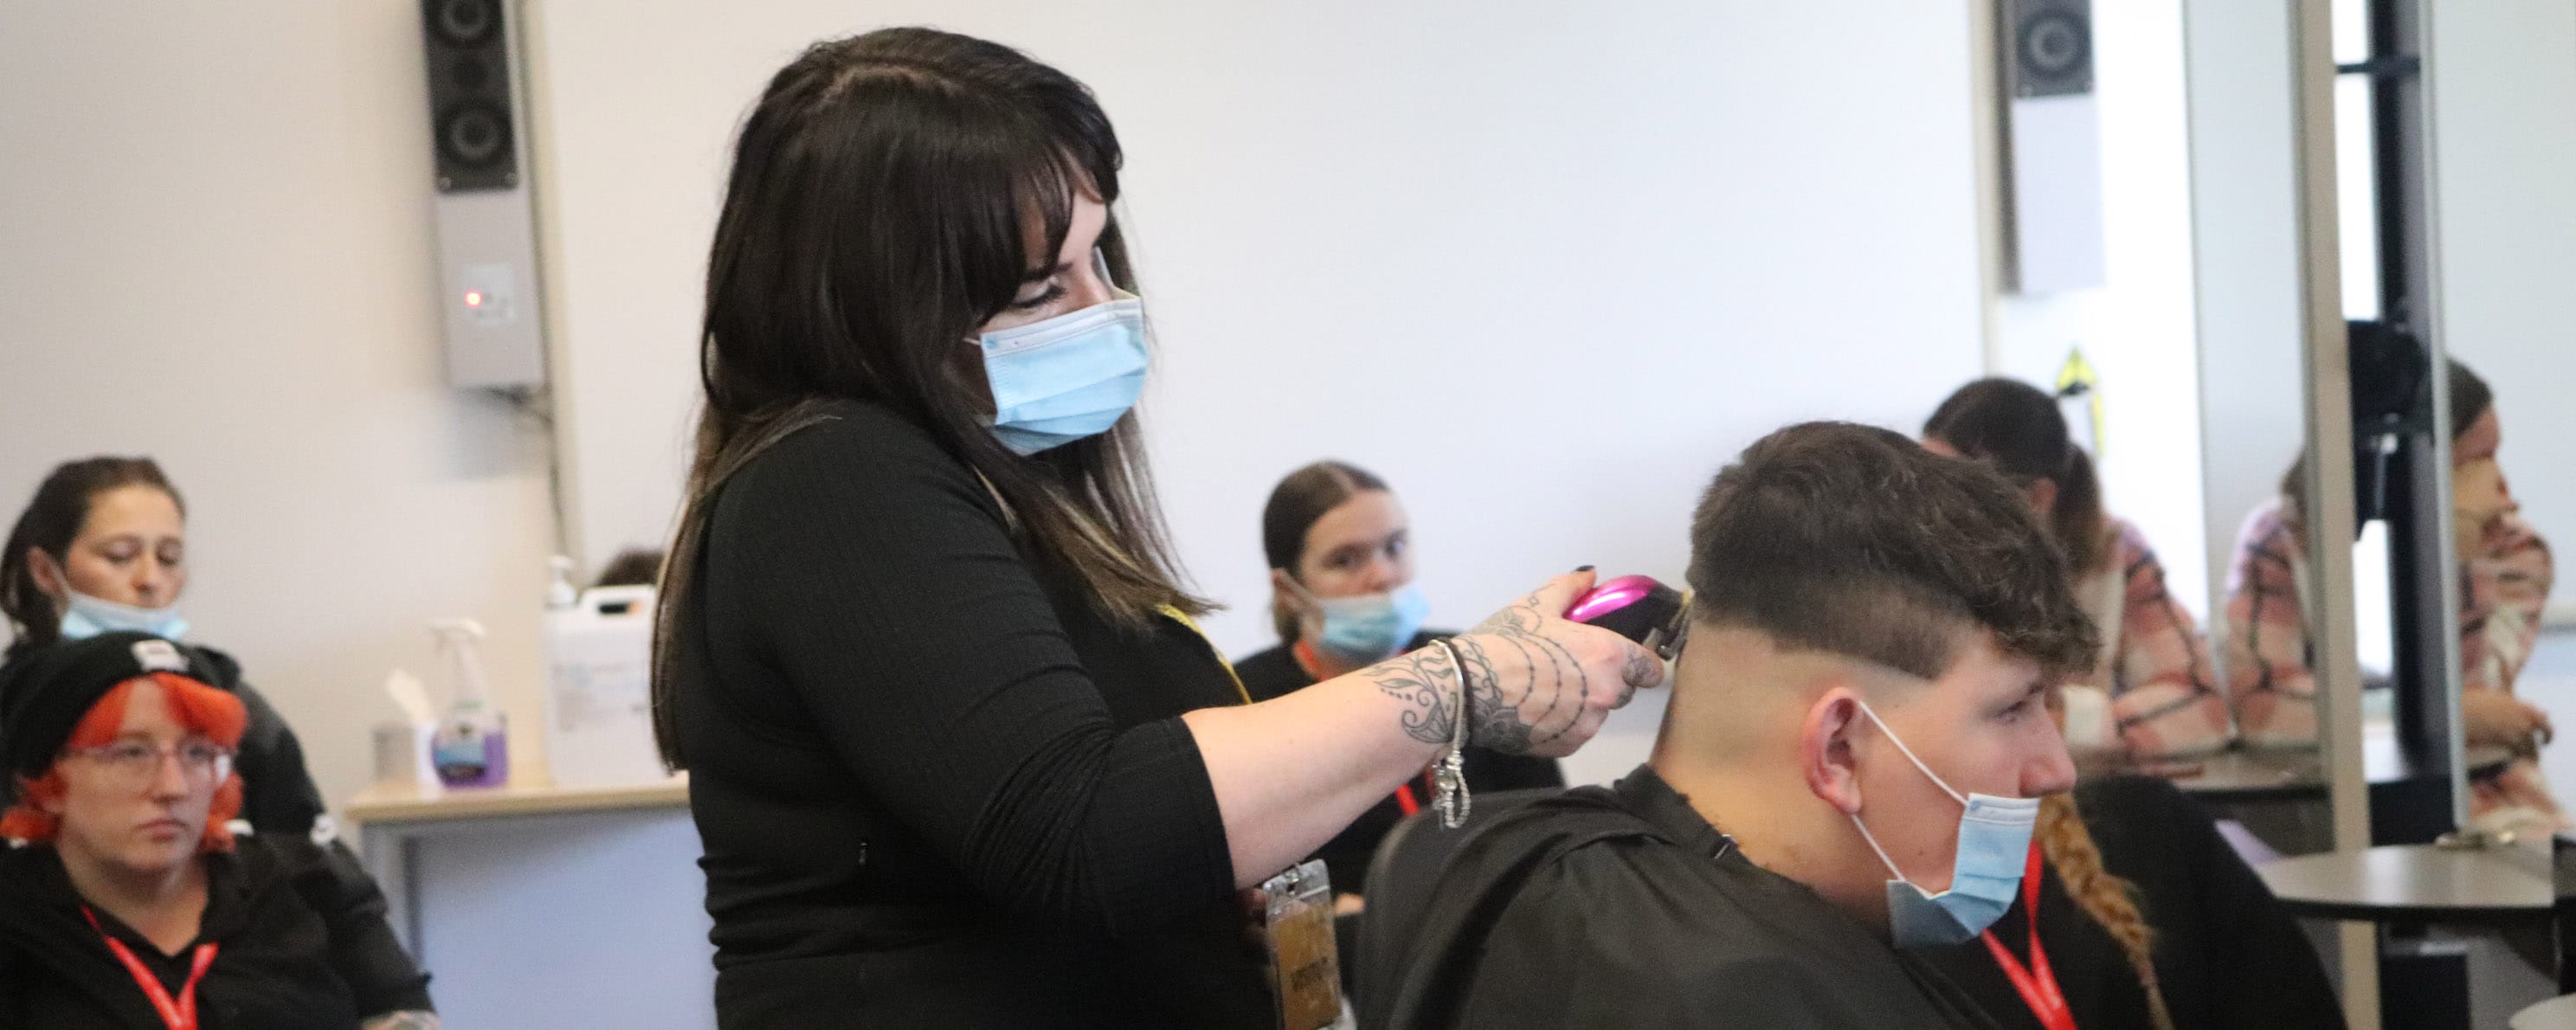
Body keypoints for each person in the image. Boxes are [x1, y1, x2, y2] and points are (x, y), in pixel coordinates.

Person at [648, 28, 1664, 1027]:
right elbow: (1083, 829)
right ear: (881, 309)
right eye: (1046, 287)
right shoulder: (836, 480)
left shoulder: (991, 494)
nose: (1111, 307)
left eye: (1102, 257)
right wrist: (1459, 681)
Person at [1384, 422, 2088, 1028]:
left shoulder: (1532, 861)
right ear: (1838, 747)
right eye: (2012, 708)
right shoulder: (1728, 997)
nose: (2056, 768)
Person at [0, 632, 435, 1027]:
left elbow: (403, 1015)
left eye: (198, 753)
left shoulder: (311, 883)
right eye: (130, 754)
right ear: (47, 780)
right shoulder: (17, 915)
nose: (173, 787)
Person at [2226, 358, 2560, 832]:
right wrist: (2445, 712)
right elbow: (2267, 710)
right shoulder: (2279, 536)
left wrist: (2454, 540)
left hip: (2487, 796)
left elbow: (2484, 692)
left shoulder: (2514, 548)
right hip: (2333, 805)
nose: (2497, 483)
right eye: (2474, 462)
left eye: (2496, 457)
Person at [1232, 460, 1564, 901]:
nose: (1383, 575)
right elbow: (1248, 882)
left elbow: (1554, 833)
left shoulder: (1482, 665)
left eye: (1395, 547)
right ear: (1290, 590)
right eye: (1345, 561)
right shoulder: (1244, 701)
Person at [1914, 697, 2343, 1030]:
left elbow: (2294, 1008)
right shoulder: (1880, 915)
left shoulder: (2148, 826)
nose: (2056, 767)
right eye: (2007, 710)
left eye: (2039, 700)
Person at [1, 457, 329, 839]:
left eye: (168, 557)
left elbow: (317, 861)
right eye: (120, 556)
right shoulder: (14, 712)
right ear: (44, 571)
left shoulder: (232, 700)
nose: (150, 580)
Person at [1925, 378, 2232, 760]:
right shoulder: (1904, 557)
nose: (1927, 506)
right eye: (1920, 480)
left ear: (2036, 499)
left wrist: (2061, 724)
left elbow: (2202, 709)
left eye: (1955, 488)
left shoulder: (2111, 552)